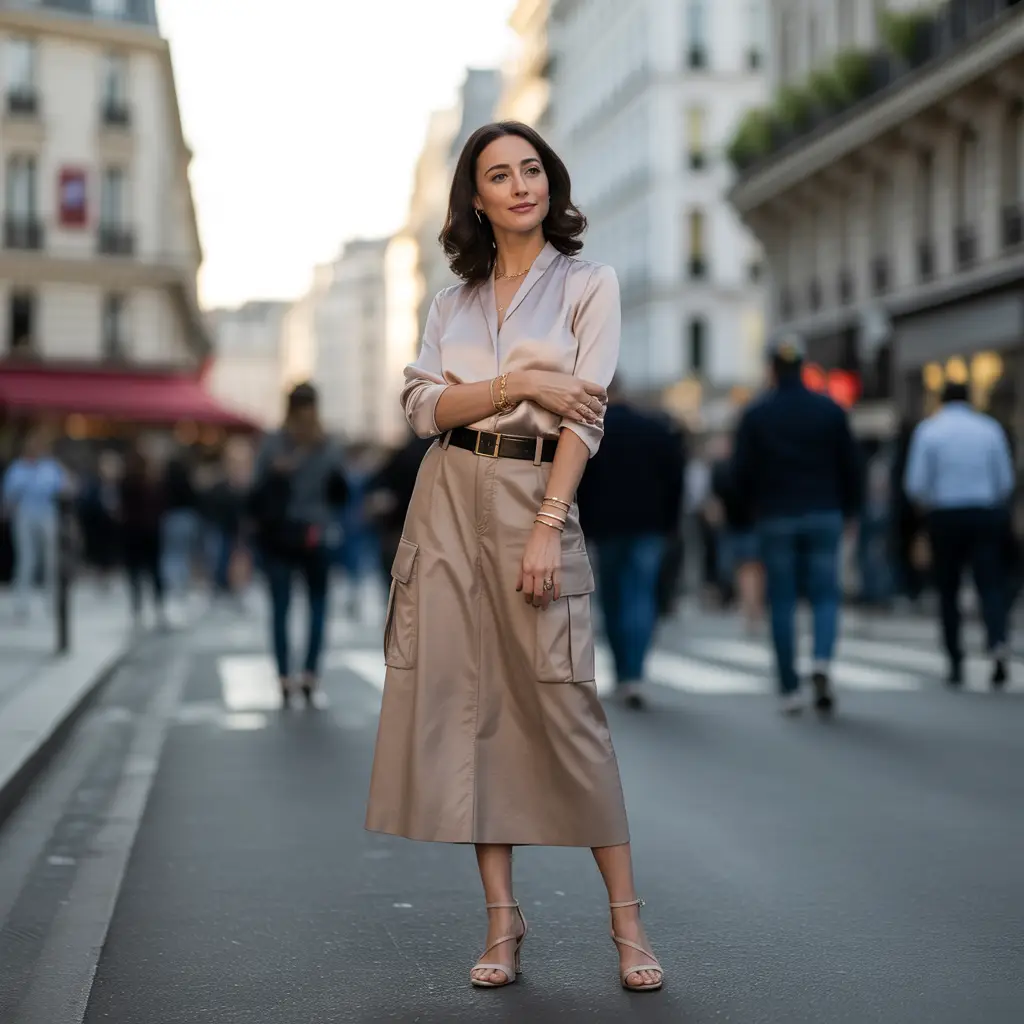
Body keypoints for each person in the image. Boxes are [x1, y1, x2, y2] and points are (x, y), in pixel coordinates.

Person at [364, 121, 663, 993]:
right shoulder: (451, 303)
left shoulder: (588, 283)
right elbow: (423, 409)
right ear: (478, 198)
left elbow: (586, 412)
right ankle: (502, 922)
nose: (522, 184)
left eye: (532, 169)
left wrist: (548, 521)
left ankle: (628, 924)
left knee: (569, 708)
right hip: (448, 500)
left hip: (538, 495)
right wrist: (524, 382)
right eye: (500, 174)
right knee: (468, 710)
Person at [733, 333, 862, 715]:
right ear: (804, 366)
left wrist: (749, 508)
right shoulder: (830, 410)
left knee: (783, 601)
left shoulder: (757, 413)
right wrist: (852, 509)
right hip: (824, 511)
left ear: (772, 367)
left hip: (776, 514)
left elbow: (741, 473)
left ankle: (789, 687)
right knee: (825, 594)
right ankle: (821, 659)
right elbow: (850, 466)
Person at [577, 378, 684, 709]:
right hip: (649, 525)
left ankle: (623, 673)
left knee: (612, 598)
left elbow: (581, 482)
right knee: (641, 595)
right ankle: (636, 673)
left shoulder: (593, 431)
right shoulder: (655, 429)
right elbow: (676, 477)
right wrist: (669, 521)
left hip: (607, 527)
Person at [903, 381, 1015, 687]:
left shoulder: (930, 431)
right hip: (984, 512)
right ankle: (997, 642)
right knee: (990, 584)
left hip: (945, 514)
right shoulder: (989, 429)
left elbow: (916, 484)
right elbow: (1005, 480)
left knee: (948, 589)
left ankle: (955, 658)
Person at [249, 383, 349, 705]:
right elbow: (341, 493)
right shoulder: (329, 444)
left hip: (280, 534)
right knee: (318, 605)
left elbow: (255, 491)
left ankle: (283, 676)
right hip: (317, 534)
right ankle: (309, 673)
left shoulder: (273, 443)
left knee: (280, 607)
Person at [1, 428, 70, 621]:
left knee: (51, 560)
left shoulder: (51, 467)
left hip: (48, 515)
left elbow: (66, 488)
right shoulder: (17, 468)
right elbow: (8, 497)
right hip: (25, 515)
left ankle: (52, 601)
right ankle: (21, 602)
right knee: (26, 559)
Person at [710, 434, 764, 634]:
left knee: (746, 569)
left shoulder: (725, 468)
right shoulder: (752, 466)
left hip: (739, 524)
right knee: (752, 569)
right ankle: (753, 609)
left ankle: (750, 609)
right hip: (750, 523)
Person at [119, 446, 167, 629]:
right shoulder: (152, 482)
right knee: (153, 572)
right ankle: (157, 608)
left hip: (134, 532)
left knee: (135, 574)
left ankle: (138, 610)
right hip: (149, 531)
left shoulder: (128, 482)